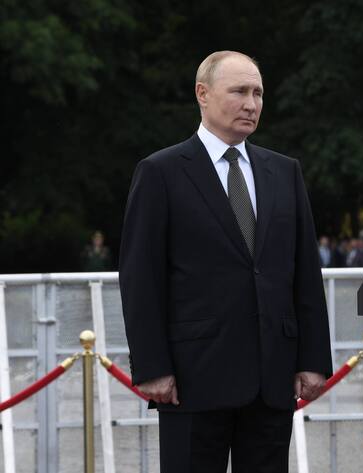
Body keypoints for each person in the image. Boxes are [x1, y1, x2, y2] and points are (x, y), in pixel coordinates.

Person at [119, 50, 332, 473]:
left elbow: (305, 271)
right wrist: (152, 367)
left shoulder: (284, 171)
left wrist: (313, 358)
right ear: (203, 93)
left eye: (258, 93)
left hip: (272, 377)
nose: (251, 104)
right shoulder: (160, 172)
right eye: (239, 91)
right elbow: (141, 277)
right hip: (192, 378)